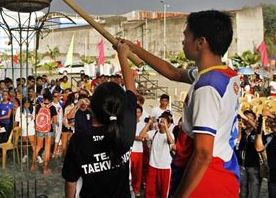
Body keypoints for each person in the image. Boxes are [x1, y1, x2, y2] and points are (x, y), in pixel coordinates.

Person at [120, 10, 240, 197]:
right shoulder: (224, 74)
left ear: (201, 42)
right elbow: (173, 73)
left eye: (186, 36)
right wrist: (134, 50)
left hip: (205, 180)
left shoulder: (207, 87)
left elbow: (202, 153)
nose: (183, 41)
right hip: (224, 170)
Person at [62, 41, 137, 197]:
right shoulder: (127, 128)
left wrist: (121, 55)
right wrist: (123, 56)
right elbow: (131, 90)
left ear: (92, 107)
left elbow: (71, 182)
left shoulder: (80, 140)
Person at [145, 113, 175, 198]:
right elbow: (141, 135)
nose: (161, 124)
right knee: (149, 192)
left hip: (164, 167)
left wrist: (166, 127)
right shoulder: (154, 133)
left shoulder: (170, 135)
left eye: (164, 122)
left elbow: (171, 142)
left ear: (169, 124)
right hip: (152, 165)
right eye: (160, 121)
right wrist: (148, 123)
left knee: (163, 193)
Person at [236, 110, 261, 198]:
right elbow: (237, 145)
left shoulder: (258, 133)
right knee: (242, 192)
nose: (247, 120)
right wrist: (239, 129)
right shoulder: (241, 131)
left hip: (254, 166)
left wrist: (246, 118)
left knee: (254, 192)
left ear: (254, 120)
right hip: (241, 165)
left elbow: (258, 130)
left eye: (250, 118)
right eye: (246, 118)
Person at [32, 91, 57, 174]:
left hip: (39, 128)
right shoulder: (52, 107)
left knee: (38, 146)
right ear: (50, 98)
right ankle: (45, 169)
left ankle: (33, 165)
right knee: (47, 148)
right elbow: (55, 120)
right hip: (48, 130)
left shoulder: (39, 106)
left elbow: (36, 118)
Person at [15, 97, 36, 164]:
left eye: (28, 103)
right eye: (25, 103)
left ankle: (35, 155)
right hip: (23, 127)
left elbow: (35, 116)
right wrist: (25, 117)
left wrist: (32, 117)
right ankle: (25, 155)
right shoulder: (19, 109)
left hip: (31, 127)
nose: (27, 104)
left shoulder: (33, 108)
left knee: (32, 142)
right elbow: (17, 119)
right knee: (24, 142)